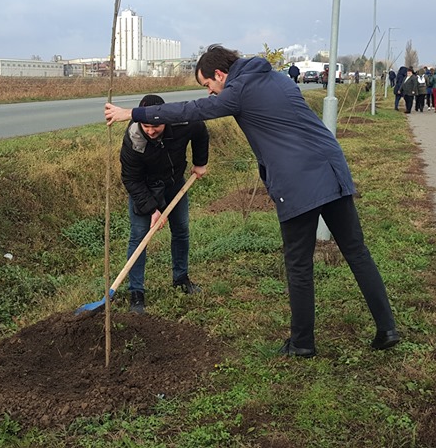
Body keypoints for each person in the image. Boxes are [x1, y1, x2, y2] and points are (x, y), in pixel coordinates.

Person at [105, 44, 399, 356]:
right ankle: (387, 328)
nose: (210, 92)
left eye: (208, 85)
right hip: (332, 168)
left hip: (297, 181)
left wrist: (133, 113)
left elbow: (193, 111)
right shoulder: (277, 77)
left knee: (299, 264)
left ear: (221, 74)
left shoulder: (239, 90)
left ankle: (302, 344)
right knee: (357, 252)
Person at [120, 94, 209, 313]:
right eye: (146, 126)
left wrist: (200, 162)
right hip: (145, 188)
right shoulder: (134, 139)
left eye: (156, 126)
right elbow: (131, 179)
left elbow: (200, 130)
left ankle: (181, 279)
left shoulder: (182, 123)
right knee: (139, 237)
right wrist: (152, 209)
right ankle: (136, 292)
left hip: (174, 184)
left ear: (165, 119)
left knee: (181, 230)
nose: (151, 131)